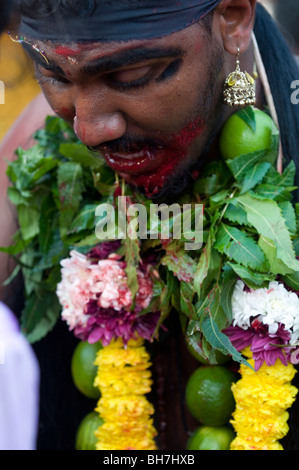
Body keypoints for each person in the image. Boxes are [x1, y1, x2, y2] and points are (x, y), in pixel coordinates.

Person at [1, 0, 299, 450]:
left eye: (130, 76)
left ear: (233, 19)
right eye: (55, 76)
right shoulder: (34, 157)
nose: (88, 129)